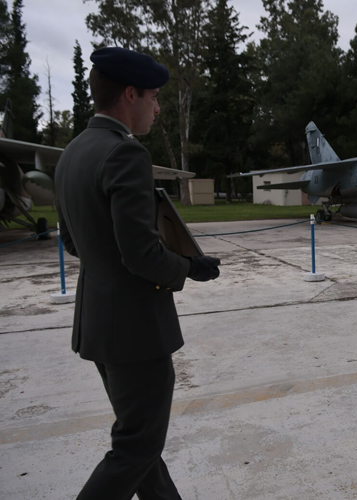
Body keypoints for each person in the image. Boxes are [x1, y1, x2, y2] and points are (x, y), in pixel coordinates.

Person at [54, 47, 221, 499]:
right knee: (136, 446)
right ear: (130, 94)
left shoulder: (71, 153)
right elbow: (141, 254)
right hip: (135, 330)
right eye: (154, 96)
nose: (157, 107)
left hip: (98, 325)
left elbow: (72, 242)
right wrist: (189, 266)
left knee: (142, 443)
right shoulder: (125, 153)